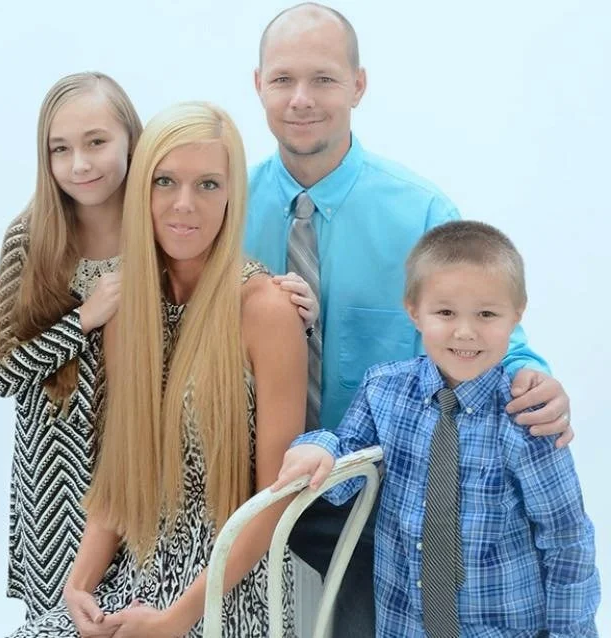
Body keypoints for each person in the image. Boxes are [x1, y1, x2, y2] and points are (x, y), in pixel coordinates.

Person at [245, 4, 574, 636]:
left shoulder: (421, 211)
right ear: (258, 85)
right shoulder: (223, 202)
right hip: (250, 478)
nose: (302, 98)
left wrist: (536, 380)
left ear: (358, 85)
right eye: (283, 79)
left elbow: (493, 336)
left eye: (324, 78)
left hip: (379, 498)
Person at [9, 101, 307, 638]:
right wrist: (79, 586)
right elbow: (119, 471)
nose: (183, 205)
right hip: (137, 575)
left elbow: (274, 501)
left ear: (232, 195)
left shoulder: (265, 308)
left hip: (229, 589)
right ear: (140, 190)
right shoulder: (129, 304)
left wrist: (175, 620)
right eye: (165, 181)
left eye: (208, 185)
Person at [273, 220, 600, 637]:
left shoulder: (528, 418)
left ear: (517, 314)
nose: (465, 332)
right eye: (445, 312)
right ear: (414, 311)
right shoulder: (383, 389)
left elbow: (566, 541)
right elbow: (347, 462)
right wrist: (317, 445)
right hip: (405, 625)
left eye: (486, 314)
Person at [0, 71, 143, 620]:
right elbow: (3, 372)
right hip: (54, 483)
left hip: (139, 464)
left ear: (130, 139)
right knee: (62, 618)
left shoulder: (162, 228)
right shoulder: (30, 238)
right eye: (60, 149)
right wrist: (83, 320)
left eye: (96, 142)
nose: (80, 164)